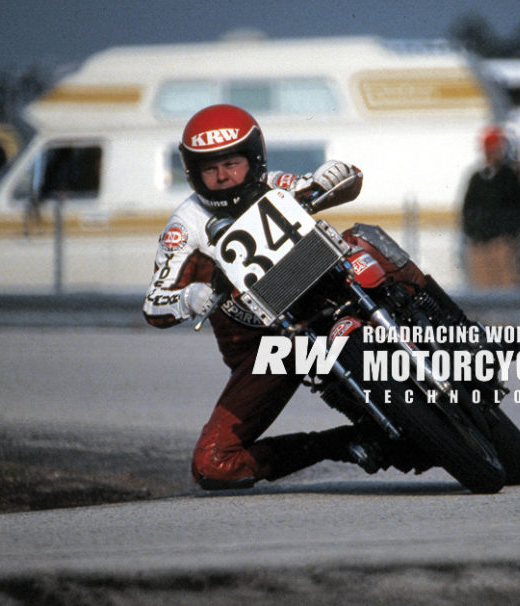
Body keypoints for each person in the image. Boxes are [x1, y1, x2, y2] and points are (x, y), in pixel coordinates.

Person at [143, 104, 371, 490]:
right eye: (209, 169)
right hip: (267, 349)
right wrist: (188, 297)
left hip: (328, 303)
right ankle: (339, 444)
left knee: (365, 242)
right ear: (192, 174)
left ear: (254, 160)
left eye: (232, 163)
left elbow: (343, 185)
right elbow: (154, 302)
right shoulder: (184, 226)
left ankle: (454, 329)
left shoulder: (275, 184)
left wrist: (335, 175)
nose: (222, 177)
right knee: (211, 465)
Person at [461, 126, 520, 288]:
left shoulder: (509, 176)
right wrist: (473, 231)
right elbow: (468, 207)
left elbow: (518, 207)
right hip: (480, 241)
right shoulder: (477, 178)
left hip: (502, 241)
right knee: (482, 284)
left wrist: (509, 233)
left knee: (507, 283)